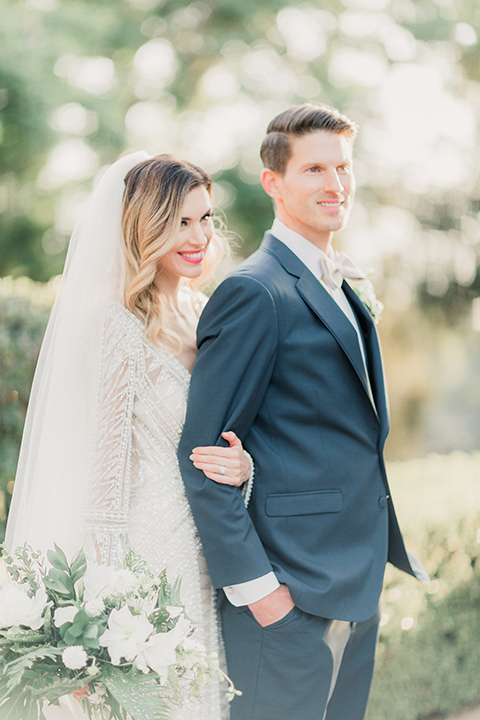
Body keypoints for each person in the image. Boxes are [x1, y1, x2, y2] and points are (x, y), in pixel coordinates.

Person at [178, 103, 429, 720]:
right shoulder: (254, 291)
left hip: (354, 584)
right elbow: (202, 456)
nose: (335, 184)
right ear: (273, 182)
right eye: (314, 169)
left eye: (343, 167)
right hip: (288, 597)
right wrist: (262, 594)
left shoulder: (339, 281)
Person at [5, 152, 252, 720]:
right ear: (146, 228)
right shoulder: (115, 326)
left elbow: (227, 436)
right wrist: (102, 610)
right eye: (179, 222)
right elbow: (103, 481)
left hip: (209, 545)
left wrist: (245, 468)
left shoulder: (204, 311)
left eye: (205, 218)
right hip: (145, 558)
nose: (197, 237)